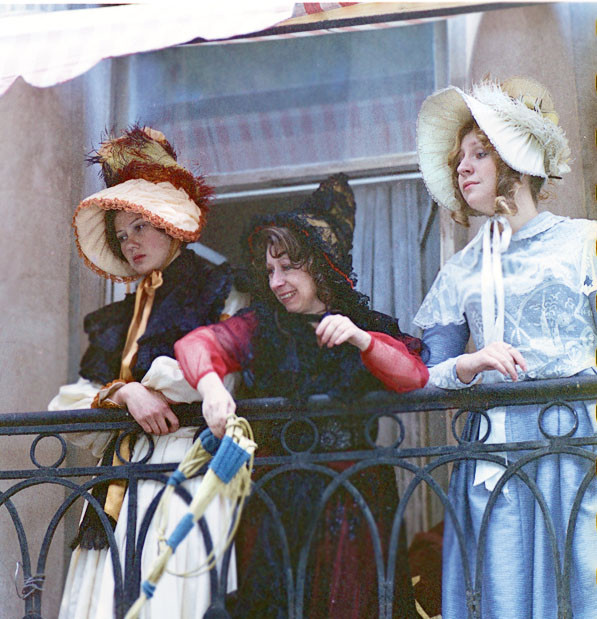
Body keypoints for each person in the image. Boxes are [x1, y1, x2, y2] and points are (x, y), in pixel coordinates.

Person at [174, 174, 429, 618]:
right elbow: (195, 345)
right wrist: (211, 388)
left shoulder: (365, 325)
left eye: (289, 267)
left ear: (320, 265)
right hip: (277, 500)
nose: (277, 282)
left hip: (353, 500)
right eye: (271, 271)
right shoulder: (261, 325)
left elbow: (413, 376)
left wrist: (361, 339)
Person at [413, 77, 597, 618]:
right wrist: (467, 365)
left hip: (574, 443)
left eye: (479, 153)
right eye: (459, 160)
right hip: (494, 455)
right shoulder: (461, 270)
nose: (462, 168)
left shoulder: (583, 243)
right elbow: (423, 377)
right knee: (504, 594)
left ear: (515, 160)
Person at [49, 126, 247, 619]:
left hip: (183, 460)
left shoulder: (216, 289)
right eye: (121, 235)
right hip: (120, 473)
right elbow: (69, 403)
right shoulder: (118, 317)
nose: (131, 243)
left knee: (171, 595)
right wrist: (126, 393)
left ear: (169, 224)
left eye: (140, 226)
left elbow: (214, 376)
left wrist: (149, 385)